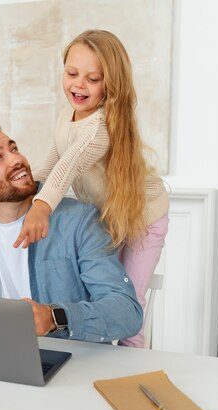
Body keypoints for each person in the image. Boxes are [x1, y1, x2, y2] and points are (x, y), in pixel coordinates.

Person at [14, 30, 169, 348]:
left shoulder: (101, 127)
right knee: (102, 295)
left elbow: (66, 168)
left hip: (145, 219)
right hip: (113, 217)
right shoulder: (64, 119)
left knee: (129, 304)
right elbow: (46, 167)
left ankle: (131, 374)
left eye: (92, 78)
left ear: (109, 84)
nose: (78, 84)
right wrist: (13, 201)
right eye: (71, 73)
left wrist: (41, 207)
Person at [0, 121, 142, 343]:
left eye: (13, 149)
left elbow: (127, 312)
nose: (17, 159)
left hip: (67, 361)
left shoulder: (79, 220)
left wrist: (54, 317)